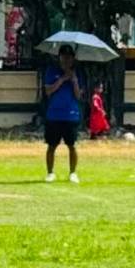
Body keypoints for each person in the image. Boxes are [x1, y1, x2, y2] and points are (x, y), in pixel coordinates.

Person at [42, 44, 84, 183]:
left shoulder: (77, 73)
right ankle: (50, 172)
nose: (67, 59)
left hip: (71, 114)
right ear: (59, 57)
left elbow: (78, 96)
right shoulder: (52, 71)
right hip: (54, 114)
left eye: (69, 57)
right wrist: (62, 79)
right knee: (51, 145)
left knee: (72, 145)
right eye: (64, 56)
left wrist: (74, 80)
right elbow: (48, 91)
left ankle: (73, 173)